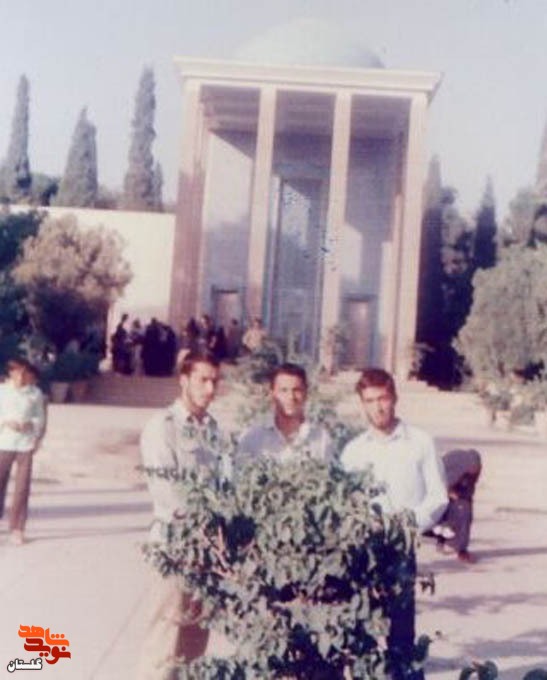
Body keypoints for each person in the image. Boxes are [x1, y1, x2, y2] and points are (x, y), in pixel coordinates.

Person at [340, 367, 447, 680]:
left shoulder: (420, 443)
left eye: (383, 398)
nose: (378, 407)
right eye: (370, 400)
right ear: (362, 404)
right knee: (360, 634)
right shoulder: (353, 452)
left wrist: (407, 526)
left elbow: (438, 497)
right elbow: (344, 504)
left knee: (401, 635)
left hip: (401, 550)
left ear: (395, 398)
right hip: (363, 552)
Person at [137, 350, 221, 679]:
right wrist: (203, 528)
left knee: (195, 638)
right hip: (173, 547)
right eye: (203, 380)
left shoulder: (213, 429)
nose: (210, 389)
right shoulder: (162, 427)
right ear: (184, 380)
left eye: (214, 381)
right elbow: (167, 493)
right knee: (164, 638)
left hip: (207, 553)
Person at [237, 362, 333, 465]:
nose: (291, 397)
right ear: (272, 394)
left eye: (297, 390)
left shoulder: (321, 439)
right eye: (284, 390)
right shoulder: (252, 438)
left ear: (305, 393)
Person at [0, 359, 46, 546]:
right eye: (17, 372)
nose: (21, 376)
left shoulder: (35, 394)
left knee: (22, 487)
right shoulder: (3, 391)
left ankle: (17, 528)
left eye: (24, 373)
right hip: (4, 442)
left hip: (25, 444)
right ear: (11, 373)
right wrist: (6, 422)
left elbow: (40, 417)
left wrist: (31, 425)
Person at [431, 448, 482, 563]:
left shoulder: (473, 471)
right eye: (473, 469)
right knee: (444, 513)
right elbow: (439, 485)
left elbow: (469, 491)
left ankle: (461, 549)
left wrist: (464, 500)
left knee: (465, 513)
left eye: (477, 469)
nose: (475, 472)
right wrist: (450, 493)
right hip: (440, 486)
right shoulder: (454, 469)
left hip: (457, 487)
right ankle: (442, 540)